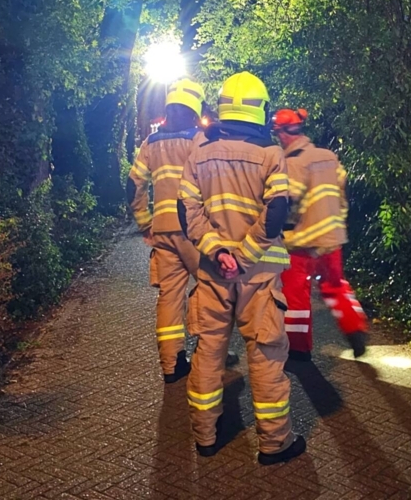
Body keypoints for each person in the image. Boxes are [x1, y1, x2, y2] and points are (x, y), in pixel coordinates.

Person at [178, 72, 306, 465]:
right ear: (259, 109)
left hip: (213, 276)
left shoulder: (198, 154)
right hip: (259, 277)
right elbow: (277, 212)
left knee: (208, 352)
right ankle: (274, 443)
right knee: (266, 356)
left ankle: (205, 438)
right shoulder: (271, 156)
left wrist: (219, 253)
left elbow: (188, 212)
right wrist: (245, 256)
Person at [272, 108, 368, 360]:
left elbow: (289, 202)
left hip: (302, 243)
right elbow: (342, 192)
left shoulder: (293, 163)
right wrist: (339, 221)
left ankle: (299, 349)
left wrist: (280, 231)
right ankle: (355, 329)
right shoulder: (329, 156)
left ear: (283, 133)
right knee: (335, 285)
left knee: (296, 294)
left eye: (278, 133)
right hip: (332, 238)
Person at [129, 78, 209, 383]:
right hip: (193, 229)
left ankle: (172, 364)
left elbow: (133, 183)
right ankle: (205, 351)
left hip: (162, 230)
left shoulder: (151, 143)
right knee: (207, 285)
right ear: (193, 109)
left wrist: (143, 221)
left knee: (169, 296)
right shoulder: (199, 140)